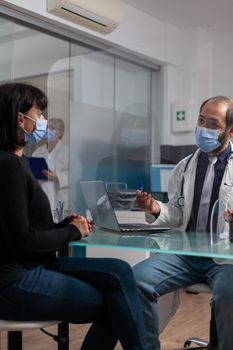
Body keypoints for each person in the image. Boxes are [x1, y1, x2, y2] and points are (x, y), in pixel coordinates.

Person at [0, 82, 149, 350]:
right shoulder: (8, 165)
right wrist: (73, 232)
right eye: (40, 114)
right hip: (13, 280)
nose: (43, 121)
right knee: (116, 303)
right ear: (21, 119)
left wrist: (65, 225)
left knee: (120, 270)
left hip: (34, 263)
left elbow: (21, 226)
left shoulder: (17, 161)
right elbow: (21, 239)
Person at [134, 95, 233, 350]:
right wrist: (156, 208)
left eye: (213, 124)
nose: (204, 128)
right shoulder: (184, 167)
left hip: (226, 259)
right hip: (185, 254)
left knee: (229, 295)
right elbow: (178, 213)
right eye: (201, 120)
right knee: (136, 280)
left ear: (229, 132)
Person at [32, 117, 68, 210]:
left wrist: (57, 176)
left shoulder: (68, 151)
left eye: (52, 128)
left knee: (60, 221)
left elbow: (76, 174)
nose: (48, 130)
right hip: (42, 196)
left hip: (60, 197)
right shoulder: (38, 151)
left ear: (60, 132)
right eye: (47, 127)